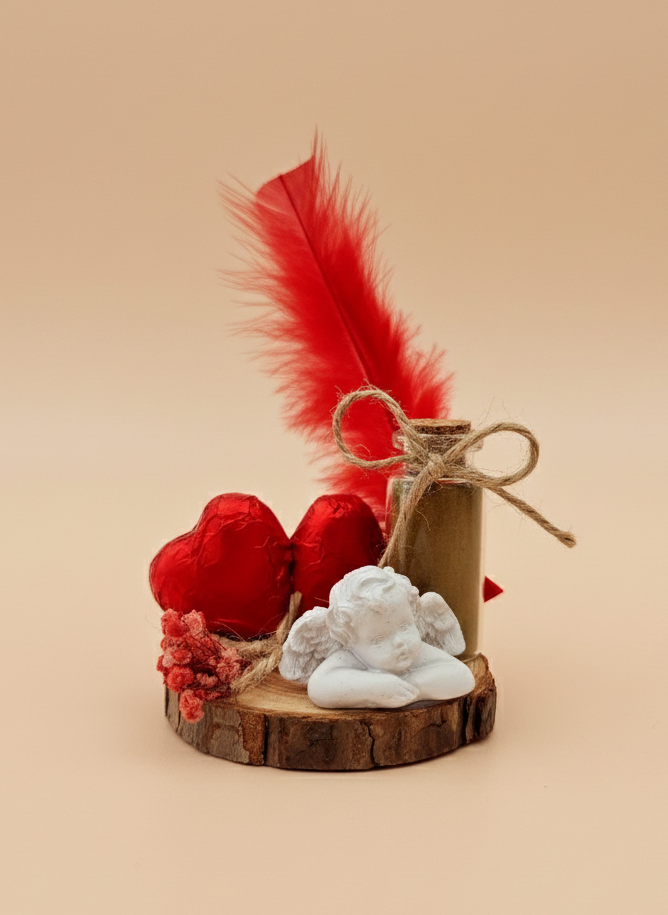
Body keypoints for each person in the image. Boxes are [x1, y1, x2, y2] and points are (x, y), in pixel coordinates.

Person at [279, 565, 475, 709]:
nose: (399, 643)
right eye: (378, 640)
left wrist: (414, 686)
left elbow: (463, 676)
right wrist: (373, 687)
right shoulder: (350, 655)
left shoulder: (418, 652)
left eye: (405, 626)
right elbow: (318, 687)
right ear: (349, 640)